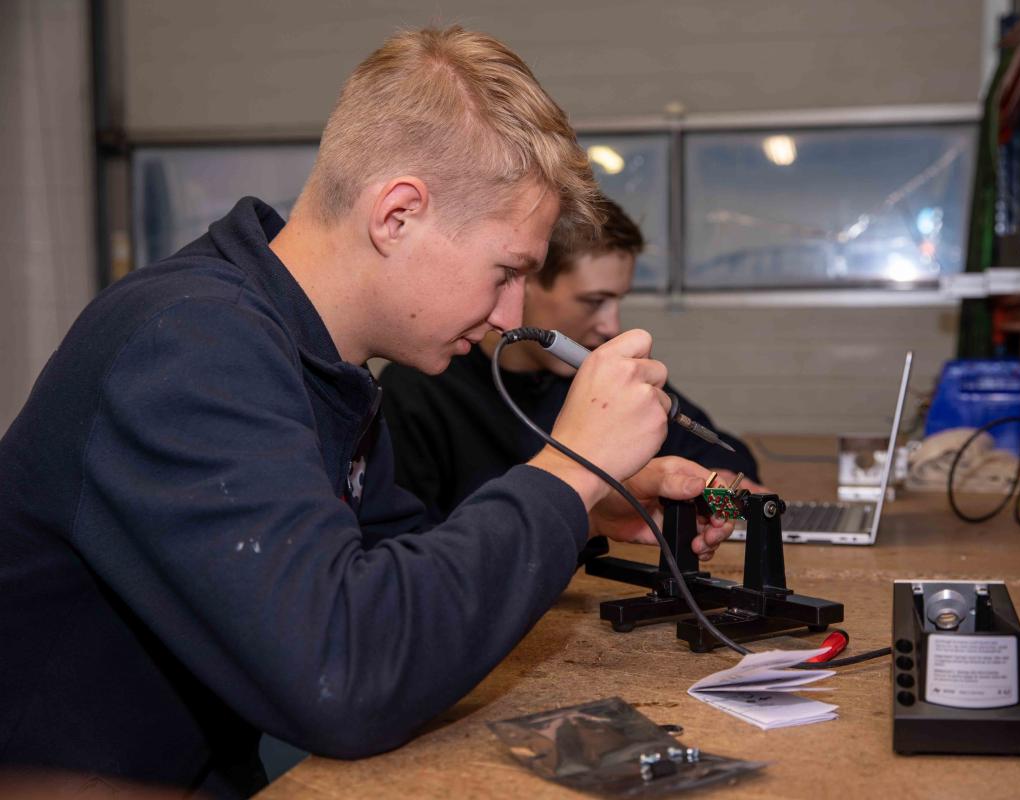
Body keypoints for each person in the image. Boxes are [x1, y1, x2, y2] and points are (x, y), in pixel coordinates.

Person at [0, 28, 731, 798]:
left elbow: (401, 579)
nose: (508, 315)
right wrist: (567, 471)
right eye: (506, 270)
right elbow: (347, 674)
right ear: (398, 215)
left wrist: (581, 508)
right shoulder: (188, 346)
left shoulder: (323, 364)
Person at [379, 196, 764, 537]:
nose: (611, 326)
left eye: (618, 300)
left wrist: (711, 491)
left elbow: (726, 458)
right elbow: (412, 558)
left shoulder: (597, 375)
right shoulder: (420, 390)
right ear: (523, 279)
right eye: (593, 301)